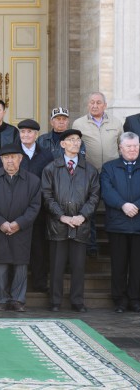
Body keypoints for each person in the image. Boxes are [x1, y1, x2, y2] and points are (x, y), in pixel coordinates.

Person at [41, 129, 100, 312]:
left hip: (80, 225)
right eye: (71, 140)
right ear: (62, 144)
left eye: (78, 140)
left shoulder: (89, 169)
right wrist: (62, 216)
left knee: (78, 266)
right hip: (58, 225)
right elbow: (47, 195)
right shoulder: (51, 168)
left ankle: (77, 301)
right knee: (57, 266)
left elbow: (94, 196)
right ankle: (55, 301)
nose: (75, 143)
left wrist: (82, 215)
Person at [0, 144, 41, 312]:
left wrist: (18, 224)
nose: (10, 161)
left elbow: (34, 206)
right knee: (0, 266)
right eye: (6, 157)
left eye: (13, 157)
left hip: (21, 229)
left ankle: (18, 300)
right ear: (1, 159)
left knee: (20, 265)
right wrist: (1, 223)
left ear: (20, 159)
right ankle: (1, 300)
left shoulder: (33, 180)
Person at [72, 91, 122, 257]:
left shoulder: (116, 123)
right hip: (88, 174)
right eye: (91, 102)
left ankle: (113, 245)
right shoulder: (78, 124)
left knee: (113, 209)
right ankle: (91, 246)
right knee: (90, 211)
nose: (94, 105)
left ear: (105, 105)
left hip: (112, 175)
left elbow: (121, 146)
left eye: (98, 102)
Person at [100, 132, 140, 313]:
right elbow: (107, 191)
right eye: (129, 146)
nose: (133, 149)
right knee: (118, 265)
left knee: (137, 266)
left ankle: (135, 299)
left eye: (136, 146)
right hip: (118, 223)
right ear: (120, 148)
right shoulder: (109, 168)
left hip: (138, 224)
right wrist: (123, 205)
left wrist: (136, 206)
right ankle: (120, 300)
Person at [17, 118, 54, 293]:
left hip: (39, 208)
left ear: (36, 134)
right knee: (17, 248)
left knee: (39, 247)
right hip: (16, 208)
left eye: (29, 132)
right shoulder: (12, 151)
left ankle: (39, 282)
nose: (26, 135)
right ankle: (15, 285)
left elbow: (50, 180)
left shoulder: (46, 154)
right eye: (23, 132)